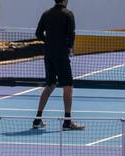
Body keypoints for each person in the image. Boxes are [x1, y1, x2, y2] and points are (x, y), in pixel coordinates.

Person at [33, 0, 85, 132]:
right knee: (68, 86)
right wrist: (69, 48)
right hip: (61, 55)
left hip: (49, 54)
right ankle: (67, 121)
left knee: (50, 85)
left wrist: (49, 41)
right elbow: (71, 34)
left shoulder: (46, 14)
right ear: (65, 0)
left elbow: (38, 33)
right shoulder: (68, 14)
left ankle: (37, 119)